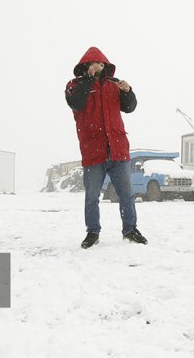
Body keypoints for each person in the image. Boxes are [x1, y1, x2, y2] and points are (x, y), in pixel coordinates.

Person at [64, 46, 148, 249]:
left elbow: (129, 108)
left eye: (101, 63)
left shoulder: (113, 85)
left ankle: (130, 229)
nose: (98, 66)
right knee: (92, 196)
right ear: (86, 66)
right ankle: (92, 232)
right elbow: (76, 103)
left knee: (127, 194)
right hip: (93, 152)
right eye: (94, 63)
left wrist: (129, 92)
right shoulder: (74, 85)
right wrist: (88, 81)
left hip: (118, 150)